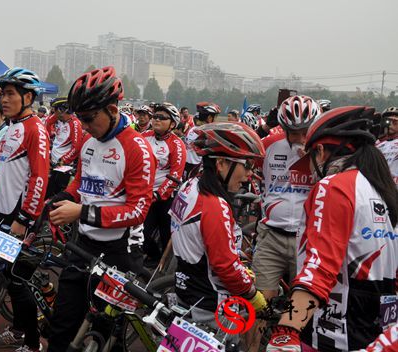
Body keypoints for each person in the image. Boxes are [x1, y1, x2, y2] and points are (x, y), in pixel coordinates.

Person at [266, 106, 398, 352]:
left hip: (333, 329)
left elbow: (319, 266)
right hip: (380, 329)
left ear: (321, 150)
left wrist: (286, 330)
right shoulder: (384, 188)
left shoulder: (333, 187)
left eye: (312, 159)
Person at [46, 66, 155, 352]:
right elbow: (80, 182)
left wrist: (81, 212)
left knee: (106, 333)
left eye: (89, 118)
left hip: (120, 250)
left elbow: (137, 211)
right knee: (62, 326)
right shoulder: (89, 141)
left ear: (111, 109)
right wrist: (59, 196)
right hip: (84, 244)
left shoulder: (137, 148)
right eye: (79, 118)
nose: (82, 125)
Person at [169, 122, 268, 347]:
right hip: (213, 306)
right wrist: (252, 294)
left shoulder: (190, 186)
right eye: (247, 165)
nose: (250, 175)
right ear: (221, 163)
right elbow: (225, 266)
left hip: (187, 290)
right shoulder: (214, 204)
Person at [0, 67, 50, 352]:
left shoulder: (35, 130)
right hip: (5, 213)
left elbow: (40, 178)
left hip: (22, 217)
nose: (2, 99)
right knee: (7, 275)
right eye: (1, 93)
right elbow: (1, 171)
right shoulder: (11, 129)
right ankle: (19, 329)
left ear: (28, 96)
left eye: (9, 94)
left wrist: (24, 218)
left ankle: (32, 345)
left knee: (17, 283)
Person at [253, 95, 320, 305]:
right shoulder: (271, 145)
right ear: (283, 128)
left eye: (305, 132)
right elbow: (243, 157)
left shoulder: (325, 150)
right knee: (259, 304)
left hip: (307, 240)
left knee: (302, 305)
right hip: (272, 236)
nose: (300, 137)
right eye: (293, 133)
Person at [141, 103, 186, 265]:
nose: (156, 120)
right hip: (142, 194)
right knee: (142, 232)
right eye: (155, 116)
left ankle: (165, 263)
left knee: (166, 232)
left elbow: (175, 175)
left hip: (164, 196)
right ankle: (153, 255)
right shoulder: (144, 136)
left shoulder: (177, 144)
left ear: (172, 124)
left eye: (162, 118)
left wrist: (158, 194)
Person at [45, 96, 83, 199]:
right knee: (47, 193)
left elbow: (76, 147)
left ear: (62, 110)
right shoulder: (58, 120)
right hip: (53, 162)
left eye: (55, 110)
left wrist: (63, 160)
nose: (53, 113)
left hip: (64, 166)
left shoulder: (75, 123)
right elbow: (47, 126)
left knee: (55, 194)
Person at [183, 102, 221, 178]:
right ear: (209, 118)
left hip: (188, 164)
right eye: (215, 117)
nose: (216, 119)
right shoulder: (205, 132)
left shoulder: (193, 129)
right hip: (197, 167)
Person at [376, 107, 398, 185]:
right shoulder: (376, 143)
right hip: (379, 185)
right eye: (387, 121)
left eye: (395, 122)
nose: (390, 124)